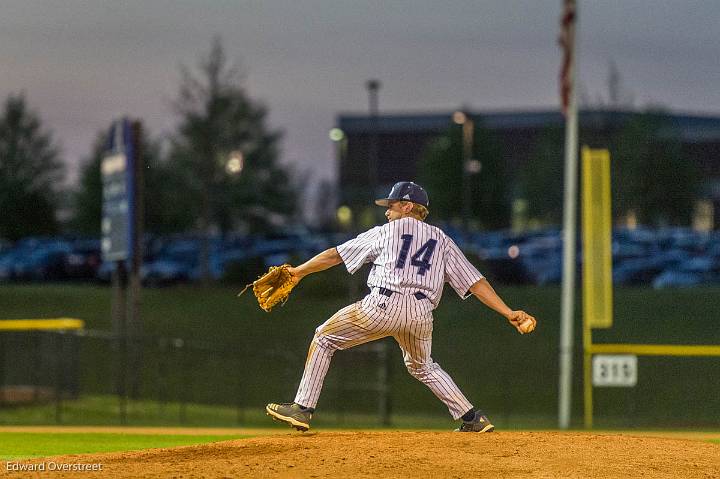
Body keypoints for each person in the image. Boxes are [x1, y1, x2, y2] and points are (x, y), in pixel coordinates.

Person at [266, 181, 537, 432]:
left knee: (324, 338)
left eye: (392, 206)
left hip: (382, 304)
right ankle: (472, 418)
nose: (387, 212)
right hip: (420, 314)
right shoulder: (441, 239)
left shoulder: (386, 232)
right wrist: (508, 312)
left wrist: (299, 272)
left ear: (407, 206)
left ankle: (302, 408)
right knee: (423, 366)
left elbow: (335, 255)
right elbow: (475, 282)